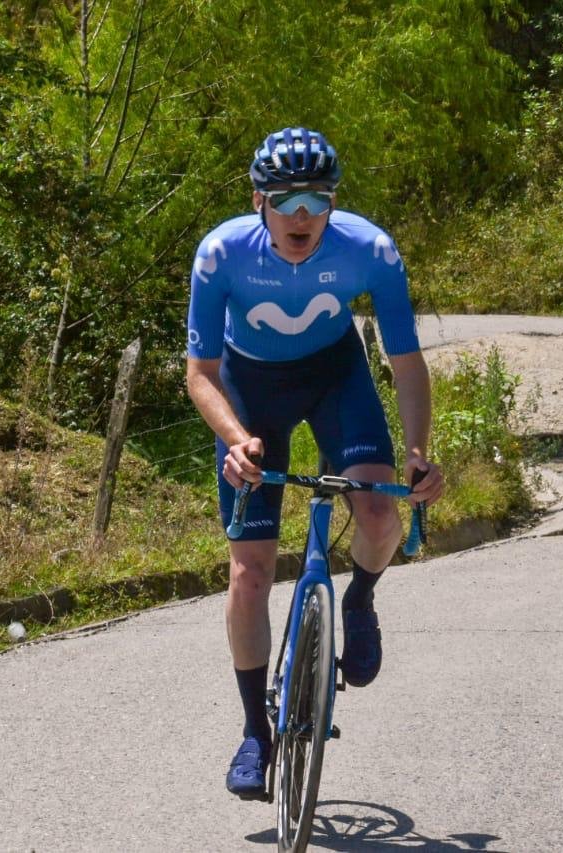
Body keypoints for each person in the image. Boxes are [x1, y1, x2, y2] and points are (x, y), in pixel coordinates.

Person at [184, 127, 445, 799]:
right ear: (259, 202)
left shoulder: (372, 250)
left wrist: (418, 454)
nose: (301, 213)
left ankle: (358, 601)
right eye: (285, 198)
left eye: (316, 198)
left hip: (336, 376)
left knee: (381, 511)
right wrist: (237, 439)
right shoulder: (220, 254)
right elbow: (200, 372)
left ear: (332, 204)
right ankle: (253, 731)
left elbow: (407, 364)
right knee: (249, 571)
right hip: (249, 388)